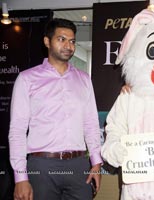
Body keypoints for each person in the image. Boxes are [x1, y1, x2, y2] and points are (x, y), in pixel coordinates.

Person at [8, 18, 102, 200]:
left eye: (72, 41)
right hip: (41, 167)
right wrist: (20, 177)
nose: (69, 45)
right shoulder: (27, 79)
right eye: (62, 39)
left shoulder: (84, 79)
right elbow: (17, 130)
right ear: (46, 41)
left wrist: (96, 162)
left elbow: (90, 123)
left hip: (78, 165)